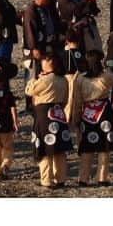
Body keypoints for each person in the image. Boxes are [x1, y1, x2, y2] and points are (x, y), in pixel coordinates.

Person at [68, 49, 113, 187]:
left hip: (88, 112)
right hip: (104, 113)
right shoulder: (106, 76)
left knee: (87, 148)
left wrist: (76, 119)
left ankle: (83, 178)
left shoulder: (80, 78)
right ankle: (102, 177)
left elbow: (77, 101)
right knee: (104, 147)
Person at [26, 52, 72, 188]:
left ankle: (46, 179)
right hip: (59, 113)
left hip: (44, 115)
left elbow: (29, 90)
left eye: (44, 61)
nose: (42, 63)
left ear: (51, 62)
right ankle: (61, 178)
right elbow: (65, 98)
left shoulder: (45, 80)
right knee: (59, 149)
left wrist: (35, 79)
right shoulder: (63, 79)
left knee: (45, 150)